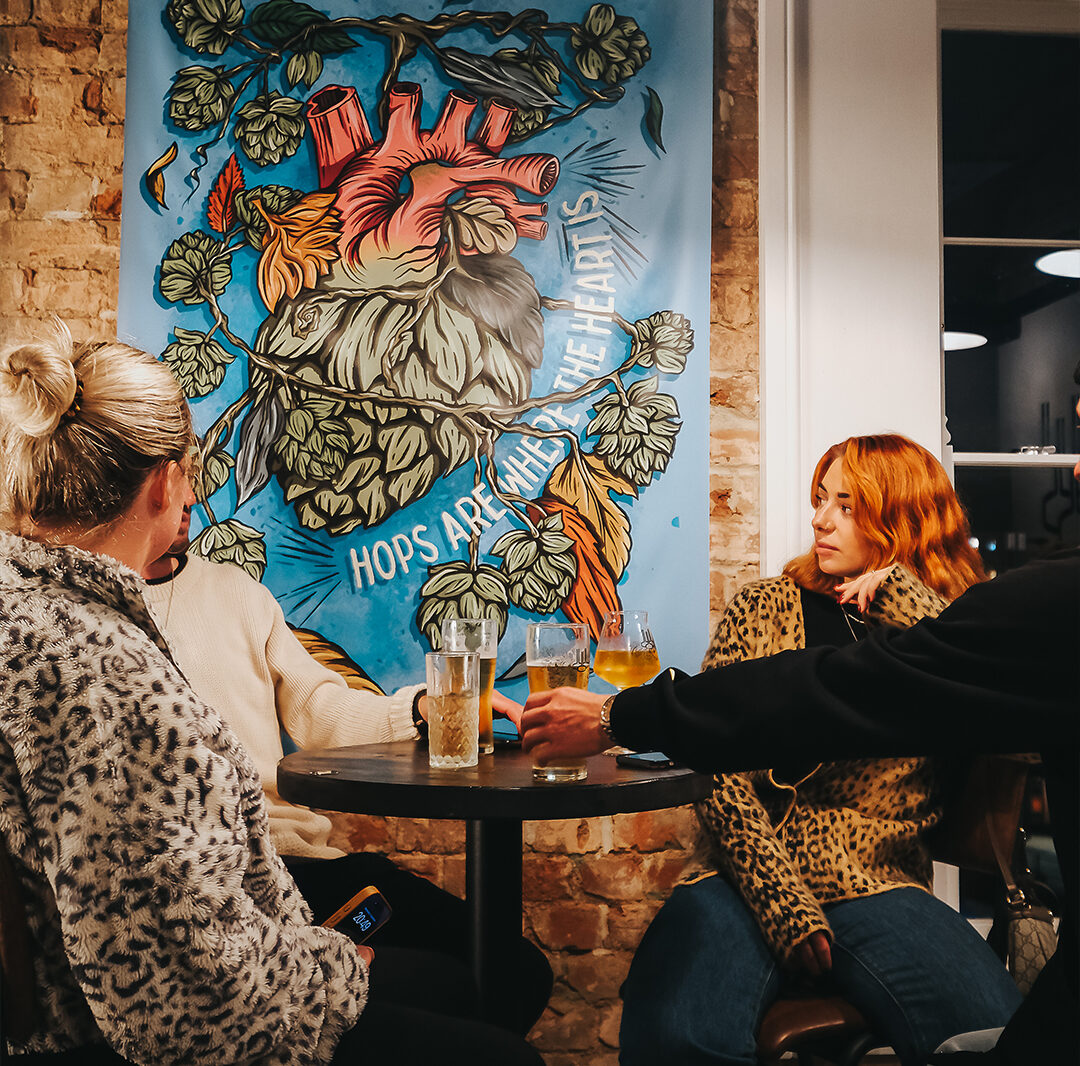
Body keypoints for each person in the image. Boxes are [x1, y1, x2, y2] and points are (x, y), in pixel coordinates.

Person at [0, 322, 543, 1066]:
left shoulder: (41, 613)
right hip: (175, 1007)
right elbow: (185, 995)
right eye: (187, 473)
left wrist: (418, 709)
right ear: (165, 483)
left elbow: (318, 710)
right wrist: (328, 969)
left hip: (210, 932)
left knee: (486, 978)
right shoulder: (107, 675)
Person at [521, 426, 1080, 1063]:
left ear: (902, 518)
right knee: (678, 1036)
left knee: (997, 1036)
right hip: (739, 876)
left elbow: (980, 710)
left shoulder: (951, 623)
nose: (820, 519)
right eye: (820, 499)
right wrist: (779, 895)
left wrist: (902, 599)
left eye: (847, 506)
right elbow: (719, 765)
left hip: (879, 880)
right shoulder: (764, 604)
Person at [140, 511, 552, 1034]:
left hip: (299, 863)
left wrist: (425, 708)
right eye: (170, 472)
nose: (187, 499)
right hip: (205, 889)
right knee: (457, 989)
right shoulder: (76, 621)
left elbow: (317, 707)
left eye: (190, 473)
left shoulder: (234, 591)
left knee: (516, 972)